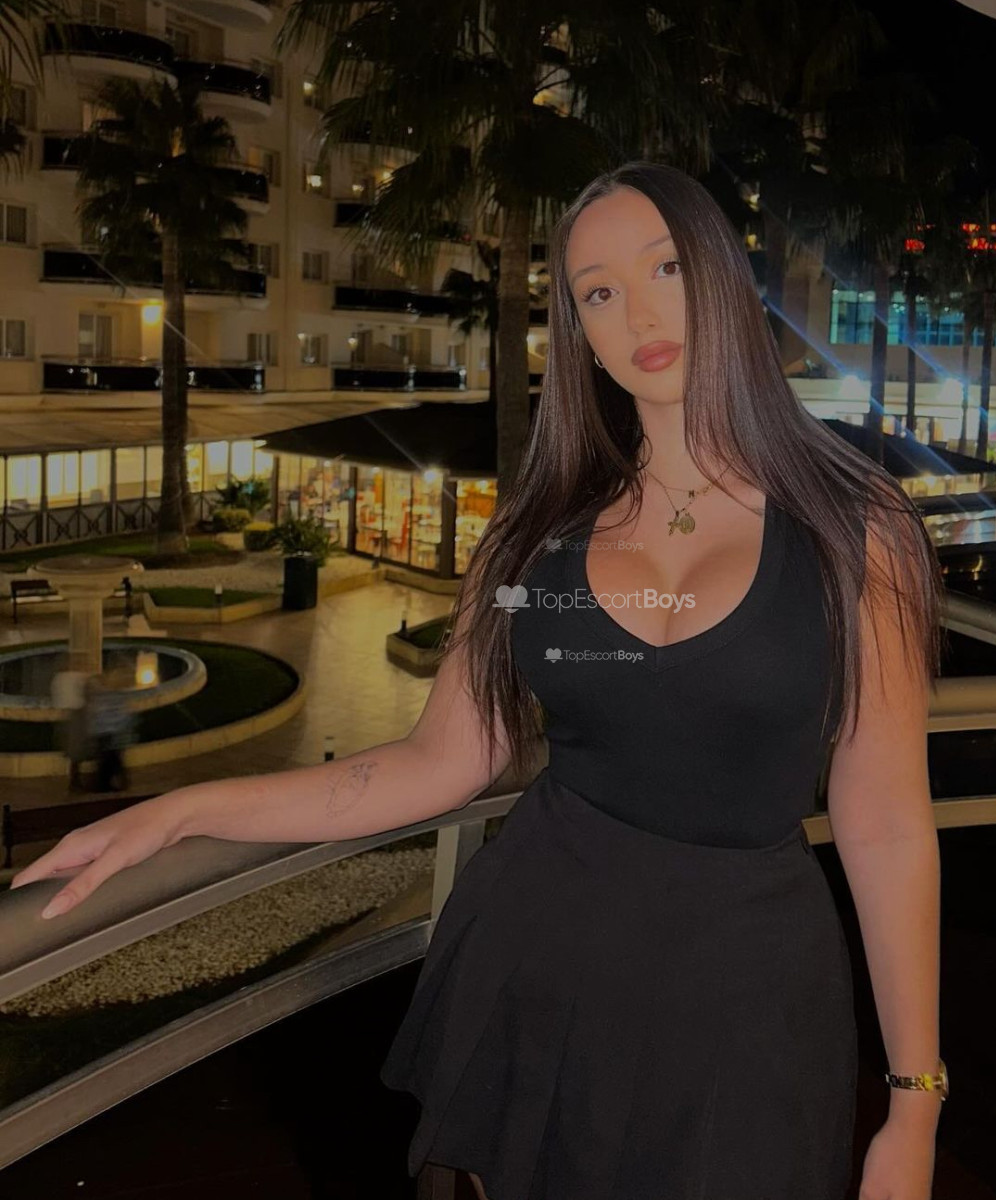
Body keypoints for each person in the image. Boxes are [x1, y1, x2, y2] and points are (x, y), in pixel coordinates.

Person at [9, 160, 946, 1200]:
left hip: (748, 995)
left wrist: (914, 1104)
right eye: (596, 291)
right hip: (537, 963)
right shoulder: (531, 538)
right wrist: (183, 810)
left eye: (666, 268)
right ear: (577, 330)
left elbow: (885, 822)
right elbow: (439, 761)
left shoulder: (858, 527)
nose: (636, 313)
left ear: (723, 273)